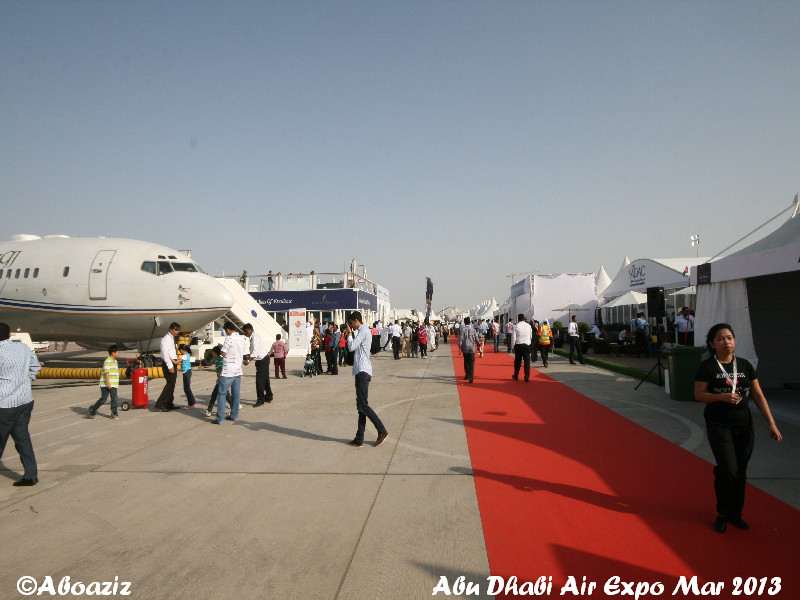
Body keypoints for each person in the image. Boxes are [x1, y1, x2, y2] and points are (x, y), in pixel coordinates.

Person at [694, 323, 782, 533]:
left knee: (740, 471)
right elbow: (699, 394)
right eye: (720, 339)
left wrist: (771, 422)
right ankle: (723, 513)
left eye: (729, 338)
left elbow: (758, 395)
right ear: (712, 344)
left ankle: (736, 513)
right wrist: (721, 397)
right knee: (728, 469)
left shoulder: (744, 365)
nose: (726, 342)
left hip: (743, 424)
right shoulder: (708, 367)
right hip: (719, 423)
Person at [0, 322, 42, 486]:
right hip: (25, 401)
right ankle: (31, 475)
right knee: (22, 439)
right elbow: (36, 367)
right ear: (10, 335)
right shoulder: (23, 348)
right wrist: (24, 381)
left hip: (5, 404)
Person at [344, 311, 388, 448]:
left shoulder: (363, 331)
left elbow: (351, 347)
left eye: (351, 323)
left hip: (363, 371)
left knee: (363, 406)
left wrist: (349, 334)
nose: (351, 325)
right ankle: (359, 437)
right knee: (360, 407)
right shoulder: (362, 331)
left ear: (356, 321)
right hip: (361, 371)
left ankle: (382, 431)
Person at [212, 322, 246, 425]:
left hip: (228, 370)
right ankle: (234, 416)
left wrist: (221, 347)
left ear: (227, 329)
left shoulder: (229, 339)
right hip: (237, 369)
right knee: (236, 394)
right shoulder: (242, 339)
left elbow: (223, 353)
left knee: (222, 394)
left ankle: (220, 418)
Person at [243, 324, 273, 406]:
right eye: (244, 331)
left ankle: (260, 399)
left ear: (251, 330)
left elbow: (255, 351)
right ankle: (269, 396)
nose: (245, 333)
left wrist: (248, 360)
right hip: (264, 359)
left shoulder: (255, 338)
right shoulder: (253, 337)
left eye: (246, 331)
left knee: (259, 381)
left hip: (262, 360)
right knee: (265, 379)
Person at [154, 322, 181, 411]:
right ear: (171, 330)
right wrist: (170, 366)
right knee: (170, 384)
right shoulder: (166, 339)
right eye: (176, 330)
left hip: (172, 362)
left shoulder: (172, 338)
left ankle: (169, 403)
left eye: (178, 330)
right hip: (168, 363)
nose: (177, 331)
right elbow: (165, 354)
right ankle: (161, 403)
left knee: (172, 384)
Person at [89, 345, 121, 419]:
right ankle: (93, 409)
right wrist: (108, 383)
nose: (118, 354)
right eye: (118, 352)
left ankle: (114, 412)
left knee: (114, 398)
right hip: (106, 384)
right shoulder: (107, 361)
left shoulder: (115, 361)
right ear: (113, 353)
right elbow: (107, 373)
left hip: (114, 384)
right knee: (103, 399)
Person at [206, 345, 231, 417]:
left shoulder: (219, 359)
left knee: (216, 396)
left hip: (221, 381)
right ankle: (209, 410)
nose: (213, 354)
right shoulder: (218, 359)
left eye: (213, 352)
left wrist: (219, 378)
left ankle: (209, 410)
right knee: (216, 395)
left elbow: (220, 369)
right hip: (220, 380)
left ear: (215, 353)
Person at [511, 314, 533, 381]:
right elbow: (531, 336)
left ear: (518, 319)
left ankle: (516, 375)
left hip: (518, 345)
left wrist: (513, 347)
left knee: (517, 361)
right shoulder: (528, 326)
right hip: (527, 345)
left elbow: (513, 338)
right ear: (524, 319)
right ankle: (526, 376)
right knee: (527, 362)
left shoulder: (516, 326)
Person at [458, 317, 479, 384]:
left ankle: (467, 374)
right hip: (472, 348)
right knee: (471, 363)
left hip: (465, 348)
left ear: (464, 322)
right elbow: (476, 338)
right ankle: (471, 377)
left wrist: (459, 347)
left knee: (466, 361)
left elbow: (461, 339)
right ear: (470, 322)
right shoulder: (473, 329)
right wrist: (479, 345)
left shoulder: (463, 330)